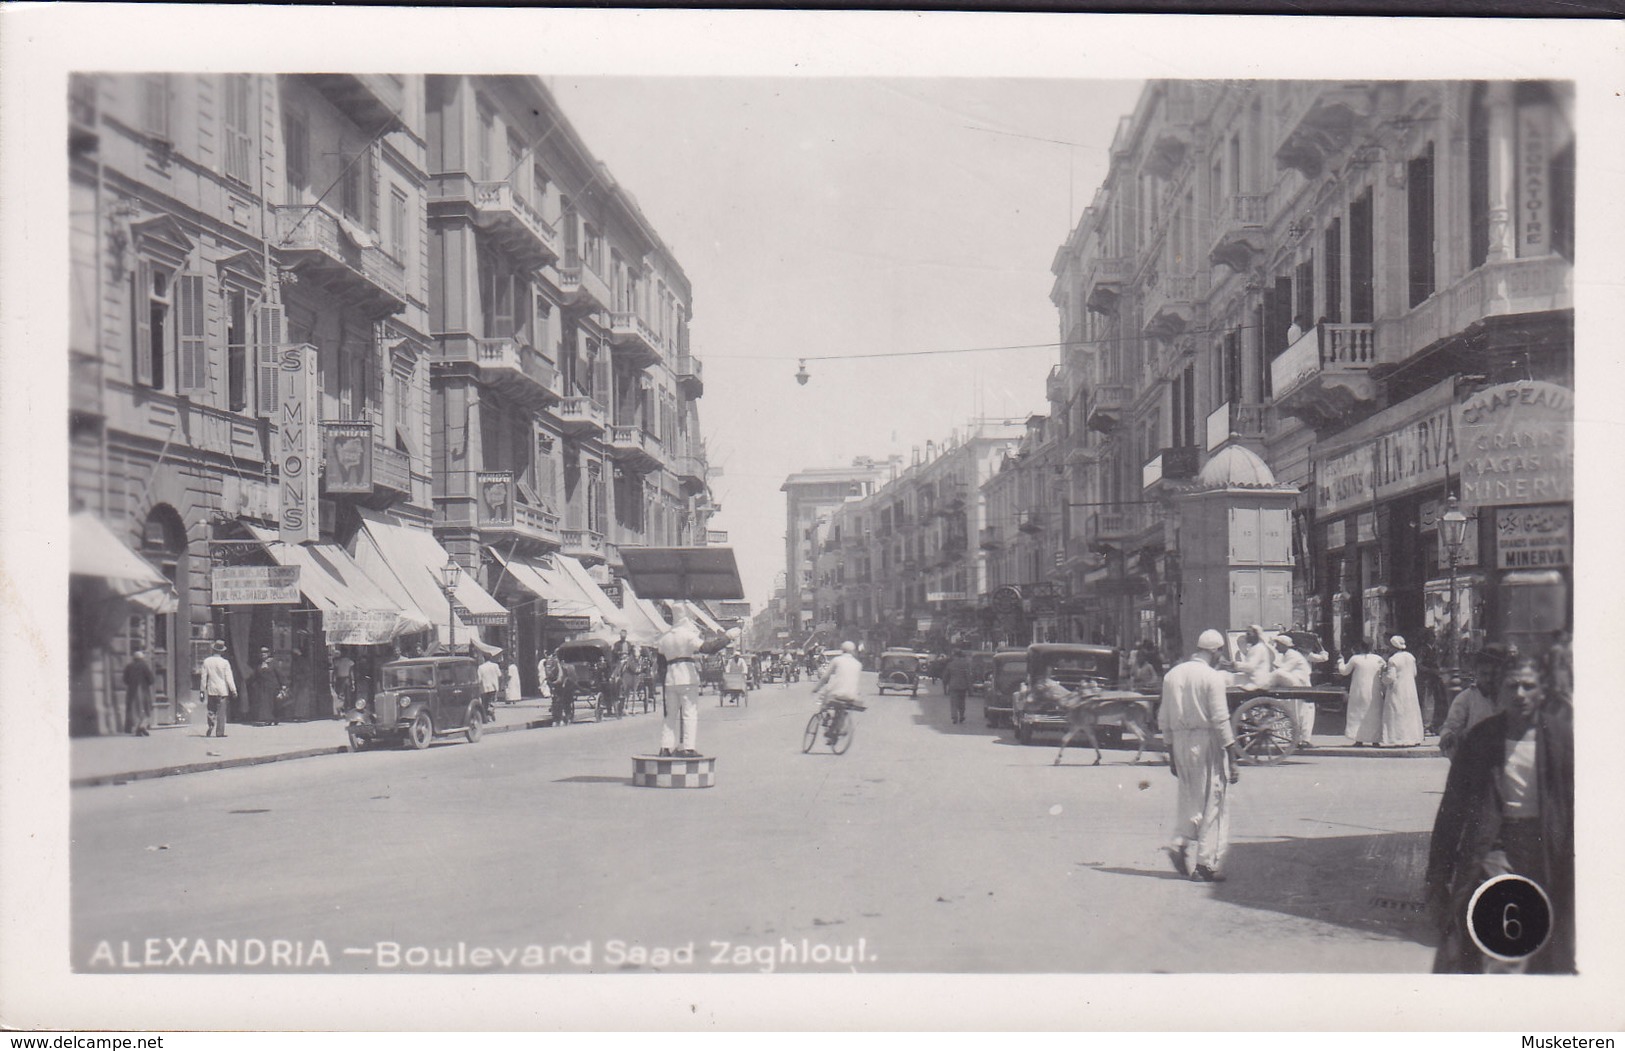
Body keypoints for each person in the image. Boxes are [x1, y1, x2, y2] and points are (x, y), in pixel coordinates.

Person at [1425, 650, 1574, 973]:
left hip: (1546, 850)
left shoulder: (1562, 740)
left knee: (1546, 946)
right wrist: (1437, 879)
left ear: (1543, 689)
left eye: (1528, 686)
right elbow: (1452, 812)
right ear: (1501, 690)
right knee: (1496, 937)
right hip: (1495, 848)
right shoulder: (1481, 740)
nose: (1520, 694)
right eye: (1512, 686)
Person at [1158, 629, 1244, 883]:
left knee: (1189, 799)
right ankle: (1205, 865)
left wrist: (1171, 752)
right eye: (1220, 653)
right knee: (1213, 803)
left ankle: (1179, 842)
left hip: (1180, 743)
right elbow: (1220, 718)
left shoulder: (1172, 675)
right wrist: (1232, 755)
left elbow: (1163, 717)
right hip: (1205, 742)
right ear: (1215, 651)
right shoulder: (1212, 677)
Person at [656, 609, 729, 757]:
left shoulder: (664, 638)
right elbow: (709, 649)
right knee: (689, 713)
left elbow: (660, 663)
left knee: (669, 715)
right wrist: (727, 638)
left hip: (671, 678)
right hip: (687, 677)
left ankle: (665, 747)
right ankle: (688, 748)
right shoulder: (689, 635)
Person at [1438, 645, 1512, 761]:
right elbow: (1449, 730)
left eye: (1494, 674)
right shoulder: (1466, 698)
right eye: (1484, 674)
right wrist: (1452, 739)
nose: (1489, 679)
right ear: (1476, 672)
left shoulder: (1511, 697)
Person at [1267, 633, 1316, 745]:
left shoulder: (1292, 655)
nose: (1276, 647)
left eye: (1277, 645)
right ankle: (1299, 739)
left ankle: (1305, 740)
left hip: (1302, 685)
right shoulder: (1288, 654)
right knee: (1297, 713)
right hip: (1297, 685)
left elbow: (1283, 670)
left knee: (1304, 713)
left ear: (1284, 645)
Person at [813, 641, 866, 742]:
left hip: (836, 694)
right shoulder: (858, 664)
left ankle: (827, 720)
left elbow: (825, 677)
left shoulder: (837, 660)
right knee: (842, 709)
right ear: (853, 651)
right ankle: (836, 729)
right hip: (852, 695)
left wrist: (816, 688)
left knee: (825, 702)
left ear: (842, 650)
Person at [1338, 638, 1387, 746]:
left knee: (1357, 714)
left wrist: (1340, 660)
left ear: (1360, 647)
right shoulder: (1378, 659)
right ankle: (1375, 740)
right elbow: (1384, 671)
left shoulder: (1355, 659)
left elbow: (1344, 671)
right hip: (1374, 690)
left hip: (1358, 691)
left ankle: (1358, 739)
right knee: (1374, 714)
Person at [1379, 635, 1424, 747]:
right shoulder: (1411, 657)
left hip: (1397, 688)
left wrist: (1382, 676)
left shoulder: (1393, 659)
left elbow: (1390, 677)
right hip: (1410, 688)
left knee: (1397, 712)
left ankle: (1398, 738)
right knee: (1410, 711)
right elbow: (1414, 673)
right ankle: (1413, 737)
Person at [200, 639, 237, 738]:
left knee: (211, 709)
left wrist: (202, 691)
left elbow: (203, 677)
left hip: (211, 690)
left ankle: (211, 724)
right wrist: (233, 690)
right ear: (222, 651)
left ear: (213, 650)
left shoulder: (207, 661)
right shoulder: (225, 663)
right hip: (222, 690)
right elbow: (229, 677)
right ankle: (219, 732)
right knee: (221, 712)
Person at [247, 646, 287, 726]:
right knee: (266, 703)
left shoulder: (273, 663)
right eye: (261, 652)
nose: (263, 654)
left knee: (274, 703)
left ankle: (275, 718)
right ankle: (269, 719)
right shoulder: (259, 664)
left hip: (273, 686)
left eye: (265, 652)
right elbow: (256, 675)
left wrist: (283, 685)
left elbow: (280, 674)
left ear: (268, 653)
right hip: (263, 686)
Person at [123, 648, 155, 736]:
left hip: (132, 692)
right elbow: (151, 679)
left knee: (134, 710)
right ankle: (141, 726)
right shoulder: (144, 666)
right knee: (146, 709)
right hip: (143, 691)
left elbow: (125, 680)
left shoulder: (129, 666)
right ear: (142, 658)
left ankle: (138, 728)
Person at [1236, 624, 1274, 689]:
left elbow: (1250, 667)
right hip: (1254, 678)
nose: (1246, 637)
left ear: (1257, 635)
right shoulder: (1256, 647)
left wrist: (1234, 665)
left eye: (1249, 634)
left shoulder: (1258, 648)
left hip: (1256, 681)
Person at [941, 647, 971, 724]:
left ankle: (954, 717)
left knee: (953, 702)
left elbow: (946, 676)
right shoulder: (965, 664)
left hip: (953, 685)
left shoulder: (951, 664)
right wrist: (969, 687)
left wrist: (945, 684)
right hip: (963, 686)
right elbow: (968, 676)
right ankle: (961, 715)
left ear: (954, 655)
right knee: (962, 702)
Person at [477, 652, 502, 723]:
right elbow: (499, 675)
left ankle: (486, 717)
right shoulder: (495, 666)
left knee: (484, 703)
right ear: (491, 658)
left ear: (484, 659)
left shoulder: (481, 667)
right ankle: (491, 713)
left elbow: (479, 679)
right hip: (493, 687)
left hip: (484, 687)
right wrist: (499, 686)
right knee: (492, 702)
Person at [331, 647, 355, 715]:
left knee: (340, 695)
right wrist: (353, 681)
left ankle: (342, 710)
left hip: (340, 679)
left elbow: (335, 672)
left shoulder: (338, 662)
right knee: (346, 695)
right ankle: (346, 709)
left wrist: (333, 680)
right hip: (346, 679)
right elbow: (351, 672)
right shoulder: (349, 662)